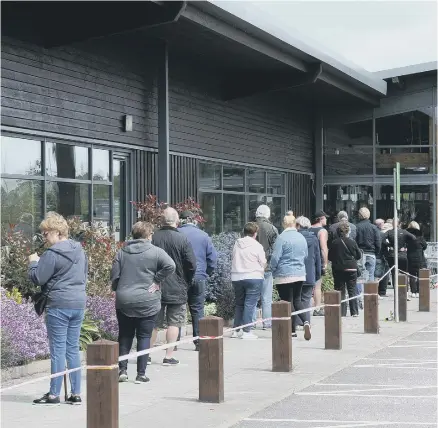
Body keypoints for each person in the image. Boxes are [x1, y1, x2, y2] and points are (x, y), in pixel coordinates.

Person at [29, 212, 87, 406]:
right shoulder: (79, 250)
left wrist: (33, 263)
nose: (44, 238)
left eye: (45, 234)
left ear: (56, 232)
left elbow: (38, 279)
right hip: (78, 303)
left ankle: (54, 394)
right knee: (72, 349)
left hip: (58, 304)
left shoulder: (52, 254)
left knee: (58, 350)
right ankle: (76, 393)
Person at [111, 222, 175, 383]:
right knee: (144, 336)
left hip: (125, 299)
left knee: (125, 335)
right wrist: (157, 280)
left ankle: (122, 370)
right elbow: (170, 266)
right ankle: (141, 373)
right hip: (148, 300)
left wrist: (119, 289)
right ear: (148, 235)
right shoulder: (156, 252)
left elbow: (114, 276)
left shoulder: (121, 252)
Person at [151, 207, 196, 366]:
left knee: (153, 322)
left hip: (156, 285)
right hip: (177, 285)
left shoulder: (154, 237)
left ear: (161, 221)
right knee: (174, 322)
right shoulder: (182, 239)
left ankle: (147, 356)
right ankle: (168, 356)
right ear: (177, 221)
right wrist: (187, 280)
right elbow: (191, 263)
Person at [178, 210, 217, 351]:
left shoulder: (176, 234)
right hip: (199, 276)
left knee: (178, 308)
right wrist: (207, 273)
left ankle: (174, 343)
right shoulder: (204, 236)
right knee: (197, 310)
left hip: (180, 277)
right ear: (194, 220)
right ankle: (199, 341)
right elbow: (212, 259)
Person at [271, 214, 308, 338]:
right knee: (297, 300)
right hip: (299, 273)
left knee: (287, 302)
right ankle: (306, 321)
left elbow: (275, 257)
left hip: (284, 274)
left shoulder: (281, 238)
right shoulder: (301, 237)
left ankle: (292, 330)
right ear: (294, 224)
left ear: (283, 224)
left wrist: (272, 268)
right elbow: (305, 255)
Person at [230, 222, 266, 340]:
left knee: (239, 304)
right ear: (255, 233)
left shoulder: (237, 244)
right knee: (250, 304)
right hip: (253, 276)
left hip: (237, 277)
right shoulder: (257, 246)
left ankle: (236, 330)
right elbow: (263, 262)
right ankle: (247, 331)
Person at [252, 204, 278, 330]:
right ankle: (267, 323)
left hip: (251, 267)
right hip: (266, 267)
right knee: (266, 297)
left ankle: (250, 324)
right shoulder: (271, 228)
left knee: (251, 297)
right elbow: (276, 249)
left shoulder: (250, 227)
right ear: (267, 214)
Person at [296, 216, 321, 341]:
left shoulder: (295, 237)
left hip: (296, 272)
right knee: (306, 298)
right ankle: (306, 322)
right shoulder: (314, 238)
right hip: (309, 273)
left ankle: (296, 322)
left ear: (298, 226)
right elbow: (317, 257)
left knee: (295, 298)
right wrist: (318, 274)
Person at [328, 222, 361, 317]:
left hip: (338, 269)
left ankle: (341, 312)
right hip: (351, 268)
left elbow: (330, 257)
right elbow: (358, 255)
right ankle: (354, 311)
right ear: (348, 231)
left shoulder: (334, 242)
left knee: (340, 290)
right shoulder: (352, 242)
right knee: (352, 289)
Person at [355, 207, 381, 306]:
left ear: (359, 215)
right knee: (370, 276)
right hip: (371, 253)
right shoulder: (373, 227)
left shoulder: (357, 227)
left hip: (360, 253)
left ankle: (359, 299)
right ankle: (370, 299)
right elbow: (378, 241)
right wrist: (377, 252)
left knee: (359, 277)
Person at [384, 219, 416, 290]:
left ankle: (396, 290)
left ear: (392, 224)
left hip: (392, 254)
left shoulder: (389, 232)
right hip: (402, 254)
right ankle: (405, 291)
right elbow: (414, 238)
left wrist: (389, 245)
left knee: (394, 273)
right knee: (404, 273)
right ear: (400, 224)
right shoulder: (404, 232)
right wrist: (407, 246)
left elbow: (382, 239)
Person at [309, 211, 328, 316]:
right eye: (325, 218)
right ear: (320, 219)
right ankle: (317, 308)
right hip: (318, 260)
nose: (326, 220)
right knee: (317, 286)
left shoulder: (308, 228)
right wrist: (325, 262)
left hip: (308, 260)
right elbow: (323, 248)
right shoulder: (322, 231)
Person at [406, 221, 427, 298]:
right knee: (420, 275)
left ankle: (413, 291)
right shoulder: (420, 236)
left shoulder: (406, 235)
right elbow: (425, 246)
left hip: (409, 257)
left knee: (412, 275)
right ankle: (418, 291)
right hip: (419, 258)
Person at [374, 219, 390, 298]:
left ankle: (378, 291)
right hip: (381, 256)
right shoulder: (382, 234)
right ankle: (380, 291)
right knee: (379, 275)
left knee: (375, 275)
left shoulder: (375, 232)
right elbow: (384, 245)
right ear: (380, 225)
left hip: (376, 256)